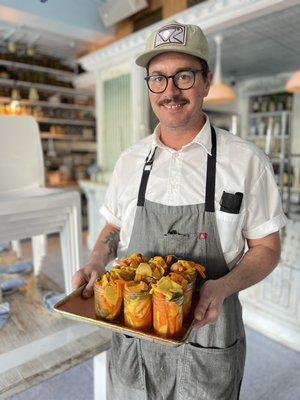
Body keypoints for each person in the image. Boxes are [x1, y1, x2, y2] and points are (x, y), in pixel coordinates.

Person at [72, 22, 287, 400]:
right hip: (134, 337)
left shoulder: (247, 161)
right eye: (158, 78)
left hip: (209, 336)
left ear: (206, 80)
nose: (170, 91)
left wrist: (222, 288)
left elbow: (267, 249)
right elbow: (112, 229)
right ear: (149, 87)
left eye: (183, 76)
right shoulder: (129, 160)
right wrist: (95, 261)